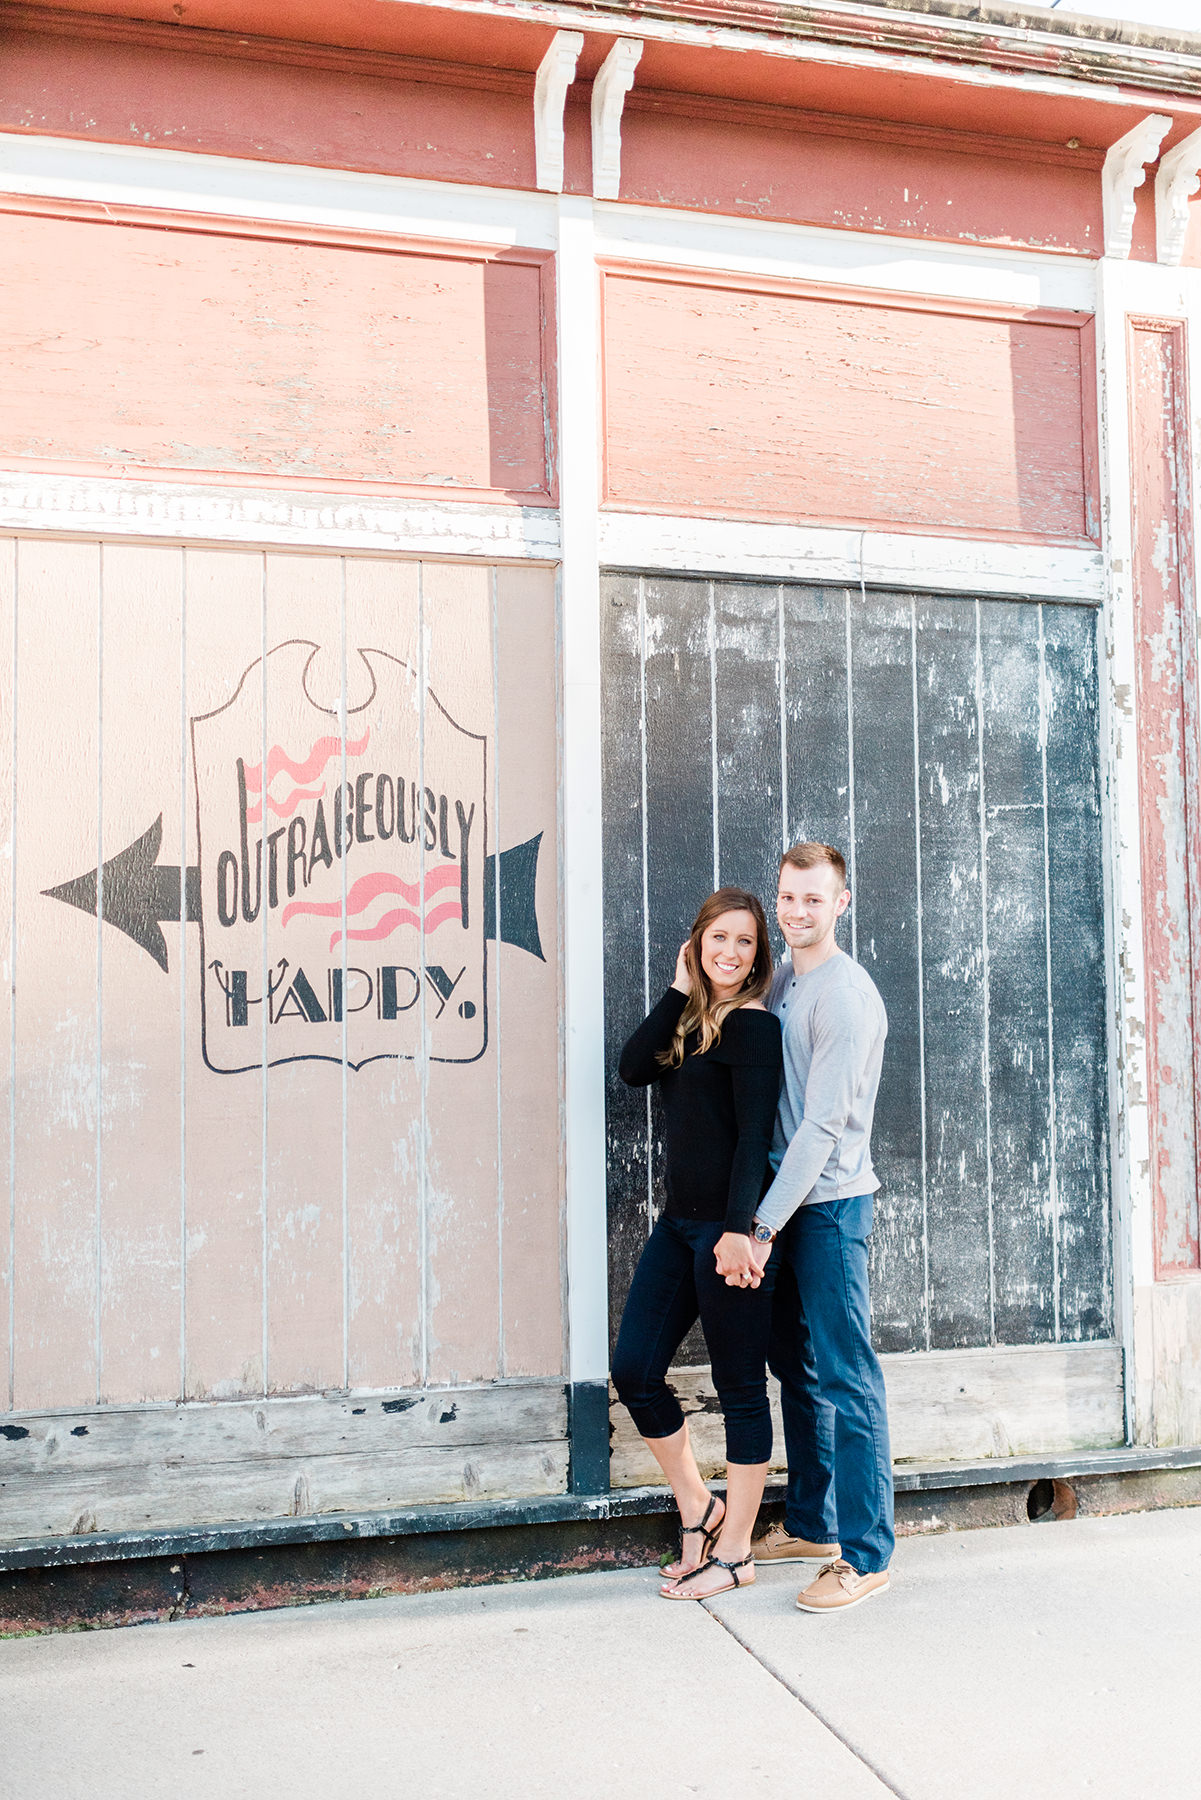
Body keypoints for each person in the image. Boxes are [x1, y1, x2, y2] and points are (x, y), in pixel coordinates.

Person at [724, 842, 893, 1614]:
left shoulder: (844, 997)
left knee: (848, 1379)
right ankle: (813, 1524)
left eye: (812, 900)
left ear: (841, 903)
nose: (794, 912)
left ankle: (864, 1557)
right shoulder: (789, 976)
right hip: (785, 1206)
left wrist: (759, 1228)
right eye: (786, 898)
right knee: (797, 1370)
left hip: (825, 1210)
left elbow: (822, 1128)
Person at [611, 887, 784, 1600]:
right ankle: (696, 1507)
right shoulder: (687, 1023)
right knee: (635, 1370)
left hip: (727, 1232)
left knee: (741, 1387)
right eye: (718, 938)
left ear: (757, 955)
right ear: (697, 943)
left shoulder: (752, 1028)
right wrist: (677, 989)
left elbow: (754, 1138)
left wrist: (739, 1232)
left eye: (744, 942)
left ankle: (736, 1550)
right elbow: (630, 1069)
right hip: (677, 1226)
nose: (730, 953)